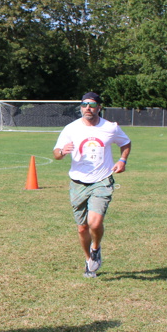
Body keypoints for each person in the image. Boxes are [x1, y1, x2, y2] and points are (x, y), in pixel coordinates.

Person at [52, 92, 131, 278]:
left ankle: (95, 248)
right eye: (84, 104)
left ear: (99, 108)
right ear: (81, 107)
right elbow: (56, 153)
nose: (88, 108)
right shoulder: (71, 128)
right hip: (77, 183)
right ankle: (89, 260)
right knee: (82, 228)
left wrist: (122, 160)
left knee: (94, 223)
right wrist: (62, 151)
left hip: (102, 180)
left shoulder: (110, 128)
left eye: (92, 104)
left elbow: (126, 143)